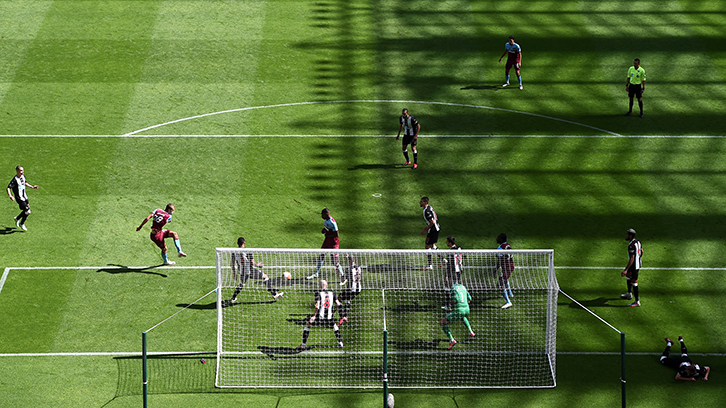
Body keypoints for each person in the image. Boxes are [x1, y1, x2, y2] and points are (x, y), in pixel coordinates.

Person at [229, 237, 283, 303]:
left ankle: (233, 298)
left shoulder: (234, 252)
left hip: (241, 271)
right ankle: (274, 294)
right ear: (244, 243)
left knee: (242, 283)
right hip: (250, 270)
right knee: (265, 277)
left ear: (237, 243)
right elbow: (252, 262)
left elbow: (232, 264)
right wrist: (258, 265)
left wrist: (234, 273)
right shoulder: (248, 251)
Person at [298, 280, 344, 350]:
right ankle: (340, 342)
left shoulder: (318, 293)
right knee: (334, 326)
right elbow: (338, 304)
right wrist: (334, 311)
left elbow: (317, 305)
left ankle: (303, 345)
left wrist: (314, 315)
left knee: (308, 325)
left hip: (320, 316)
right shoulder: (332, 293)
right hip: (329, 316)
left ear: (320, 286)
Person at [307, 208, 346, 285]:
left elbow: (336, 234)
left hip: (333, 243)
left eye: (322, 214)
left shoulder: (333, 222)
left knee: (334, 261)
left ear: (326, 214)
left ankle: (343, 278)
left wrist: (327, 234)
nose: (321, 216)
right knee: (321, 255)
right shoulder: (326, 220)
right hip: (327, 241)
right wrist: (324, 230)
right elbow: (327, 228)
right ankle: (316, 273)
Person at [440, 283, 476, 350]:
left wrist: (451, 304)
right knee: (462, 317)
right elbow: (470, 298)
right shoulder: (463, 287)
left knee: (442, 322)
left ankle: (452, 340)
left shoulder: (453, 289)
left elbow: (455, 299)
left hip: (460, 310)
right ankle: (471, 332)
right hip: (467, 309)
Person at [7, 166, 38, 231]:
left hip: (25, 197)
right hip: (19, 198)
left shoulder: (23, 176)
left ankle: (17, 218)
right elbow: (8, 188)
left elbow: (25, 183)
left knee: (26, 210)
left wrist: (32, 187)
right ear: (17, 171)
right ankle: (21, 223)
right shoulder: (15, 180)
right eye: (21, 170)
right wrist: (10, 196)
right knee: (28, 211)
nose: (23, 171)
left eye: (23, 170)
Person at [621, 228, 643, 307]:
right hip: (637, 264)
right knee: (628, 277)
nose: (626, 236)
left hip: (634, 266)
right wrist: (639, 258)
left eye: (627, 234)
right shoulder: (637, 242)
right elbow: (642, 251)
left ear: (630, 236)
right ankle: (629, 293)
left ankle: (637, 302)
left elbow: (632, 258)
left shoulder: (631, 246)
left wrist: (626, 269)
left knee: (634, 282)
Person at [338, 255, 362, 325]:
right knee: (347, 299)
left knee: (339, 299)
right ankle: (345, 316)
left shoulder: (348, 270)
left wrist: (339, 273)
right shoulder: (358, 266)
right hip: (358, 289)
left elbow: (342, 280)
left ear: (349, 261)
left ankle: (342, 317)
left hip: (351, 289)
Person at [494, 233, 515, 309]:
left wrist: (495, 270)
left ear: (501, 239)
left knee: (500, 284)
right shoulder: (507, 245)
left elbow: (500, 260)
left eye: (498, 238)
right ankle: (510, 293)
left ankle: (508, 301)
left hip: (507, 267)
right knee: (504, 279)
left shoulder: (500, 248)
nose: (497, 239)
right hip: (511, 265)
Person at [419, 197, 441, 270]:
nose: (420, 203)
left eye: (421, 201)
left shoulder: (427, 211)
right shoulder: (428, 208)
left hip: (433, 230)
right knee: (432, 245)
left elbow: (432, 222)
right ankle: (443, 260)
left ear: (425, 202)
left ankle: (429, 265)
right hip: (435, 228)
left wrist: (426, 229)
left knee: (427, 246)